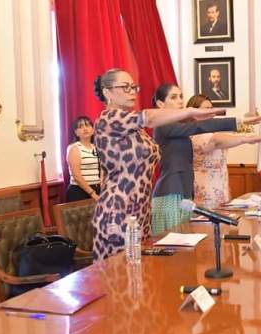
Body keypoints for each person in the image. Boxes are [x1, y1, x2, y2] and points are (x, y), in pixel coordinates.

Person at [91, 69, 223, 260]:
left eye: (133, 87)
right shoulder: (109, 118)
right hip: (118, 209)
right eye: (125, 87)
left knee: (141, 270)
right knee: (119, 272)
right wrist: (189, 111)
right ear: (107, 92)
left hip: (141, 208)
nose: (132, 91)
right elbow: (149, 118)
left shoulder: (134, 128)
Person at [152, 84, 261, 235]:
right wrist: (240, 121)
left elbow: (201, 125)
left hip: (183, 191)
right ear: (160, 104)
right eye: (173, 97)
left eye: (181, 96)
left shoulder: (177, 125)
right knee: (172, 243)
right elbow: (199, 127)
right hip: (170, 193)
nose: (180, 101)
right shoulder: (162, 124)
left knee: (185, 243)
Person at [186, 95, 261, 209]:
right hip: (204, 194)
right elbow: (217, 140)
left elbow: (225, 134)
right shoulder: (194, 134)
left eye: (211, 108)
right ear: (194, 112)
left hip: (221, 191)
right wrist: (245, 139)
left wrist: (245, 123)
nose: (211, 112)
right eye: (206, 109)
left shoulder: (212, 131)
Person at [65, 116, 101, 202]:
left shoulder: (96, 147)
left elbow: (101, 169)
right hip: (79, 191)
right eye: (81, 127)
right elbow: (76, 176)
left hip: (96, 188)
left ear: (93, 130)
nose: (85, 129)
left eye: (87, 125)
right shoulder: (74, 148)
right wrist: (92, 193)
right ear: (76, 133)